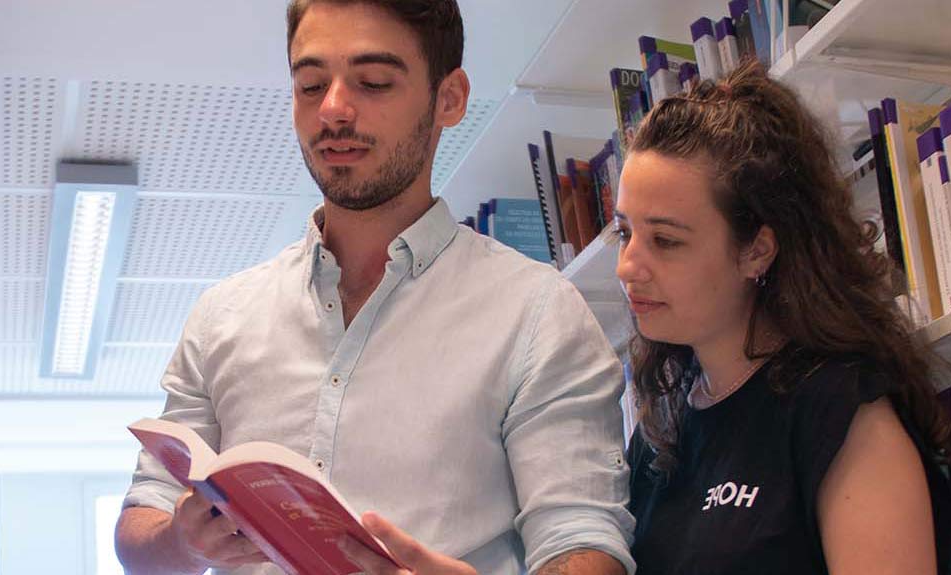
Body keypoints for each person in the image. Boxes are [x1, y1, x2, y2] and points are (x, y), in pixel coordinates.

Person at [112, 1, 633, 574]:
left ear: (450, 98)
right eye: (310, 85)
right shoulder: (222, 316)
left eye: (374, 82)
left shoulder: (538, 313)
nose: (333, 109)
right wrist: (184, 540)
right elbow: (141, 529)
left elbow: (583, 541)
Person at [614, 62, 951, 574]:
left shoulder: (840, 412)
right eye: (625, 234)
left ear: (757, 250)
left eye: (665, 241)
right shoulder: (659, 432)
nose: (627, 266)